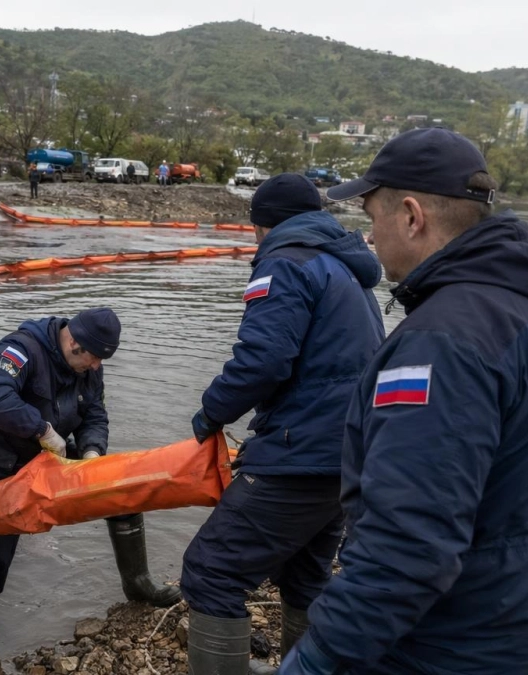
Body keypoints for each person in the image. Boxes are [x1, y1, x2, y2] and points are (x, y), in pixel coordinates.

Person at [280, 128, 528, 674]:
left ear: (410, 216)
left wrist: (318, 657)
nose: (369, 236)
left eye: (371, 216)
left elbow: (407, 544)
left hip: (448, 640)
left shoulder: (439, 343)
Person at [183, 173, 385, 675]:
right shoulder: (345, 266)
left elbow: (263, 360)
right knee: (304, 575)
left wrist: (210, 413)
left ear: (262, 225)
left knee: (211, 571)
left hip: (304, 452)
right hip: (351, 450)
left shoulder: (284, 261)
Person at [0, 308, 181, 632]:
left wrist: (92, 453)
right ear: (74, 343)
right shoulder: (20, 350)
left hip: (49, 452)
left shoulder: (89, 367)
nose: (97, 366)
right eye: (94, 358)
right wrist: (41, 429)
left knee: (123, 489)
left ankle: (138, 584)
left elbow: (95, 414)